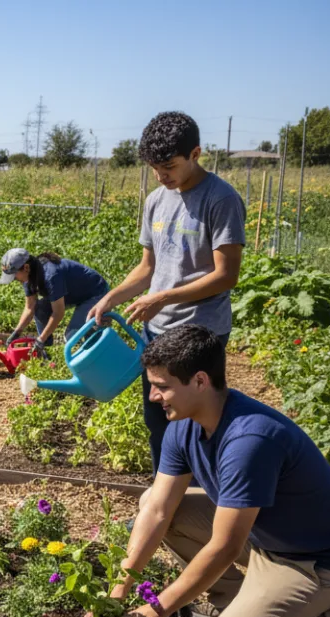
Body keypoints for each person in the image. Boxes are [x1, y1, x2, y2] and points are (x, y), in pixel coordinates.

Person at [79, 325, 330, 617]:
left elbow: (225, 546)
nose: (153, 396)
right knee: (157, 502)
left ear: (199, 381)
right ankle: (234, 602)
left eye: (163, 386)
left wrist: (157, 610)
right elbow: (157, 509)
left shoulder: (249, 439)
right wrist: (119, 589)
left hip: (316, 564)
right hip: (263, 538)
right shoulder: (185, 423)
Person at [87, 112, 245, 470]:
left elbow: (226, 275)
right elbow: (147, 268)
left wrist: (162, 298)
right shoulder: (156, 200)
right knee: (158, 421)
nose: (162, 176)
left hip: (200, 331)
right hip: (156, 333)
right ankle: (168, 508)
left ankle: (203, 505)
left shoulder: (220, 199)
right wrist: (111, 297)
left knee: (199, 425)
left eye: (169, 167)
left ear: (196, 154)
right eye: (155, 168)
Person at [0, 248, 109, 355]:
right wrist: (16, 333)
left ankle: (95, 357)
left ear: (26, 267)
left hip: (95, 294)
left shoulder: (51, 275)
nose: (14, 280)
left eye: (14, 276)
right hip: (73, 295)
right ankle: (46, 351)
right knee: (40, 308)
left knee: (72, 337)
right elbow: (30, 307)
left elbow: (58, 313)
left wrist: (40, 339)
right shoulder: (28, 278)